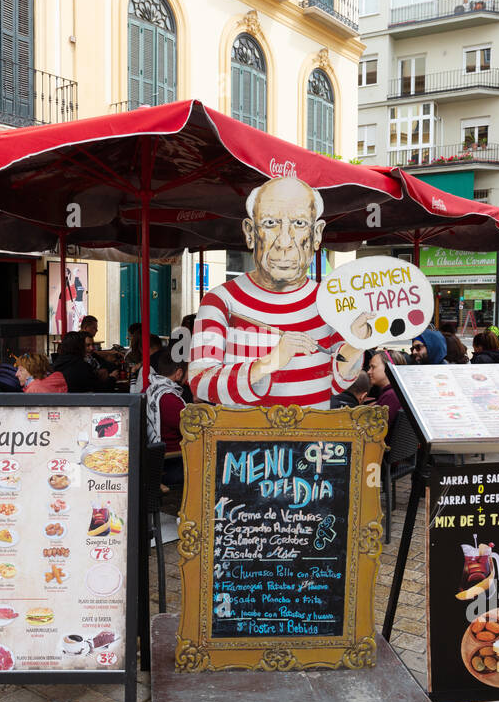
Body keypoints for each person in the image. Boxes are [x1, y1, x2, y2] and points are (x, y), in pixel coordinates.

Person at [189, 176, 370, 407]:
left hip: (311, 440)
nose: (284, 242)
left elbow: (334, 383)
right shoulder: (220, 301)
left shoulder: (330, 300)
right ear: (250, 232)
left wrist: (356, 343)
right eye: (270, 223)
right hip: (241, 441)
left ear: (317, 234)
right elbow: (199, 382)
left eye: (299, 224)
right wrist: (269, 363)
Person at [146, 348, 187, 486]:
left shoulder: (150, 389)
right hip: (171, 464)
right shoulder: (168, 399)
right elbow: (191, 428)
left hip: (154, 459)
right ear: (179, 373)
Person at [366, 349, 405, 426]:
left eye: (373, 367)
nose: (369, 372)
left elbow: (375, 428)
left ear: (388, 367)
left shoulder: (392, 395)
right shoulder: (394, 392)